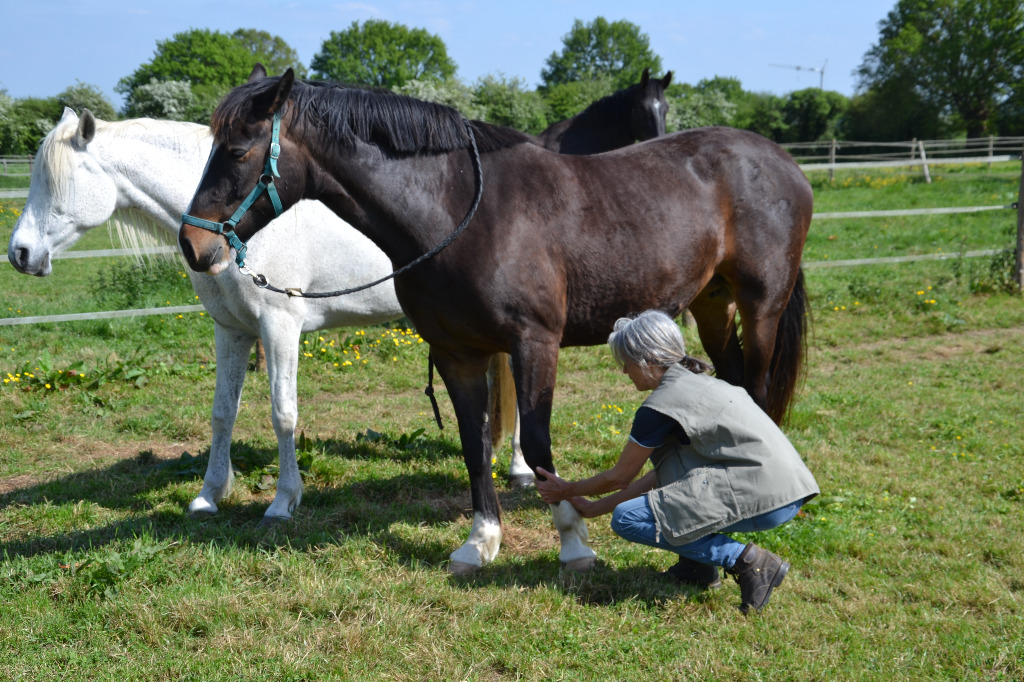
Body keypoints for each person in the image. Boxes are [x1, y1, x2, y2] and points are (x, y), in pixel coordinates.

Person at [535, 310, 819, 613]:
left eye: (625, 363)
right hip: (786, 490)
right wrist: (593, 508)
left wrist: (565, 490)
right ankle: (696, 568)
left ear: (647, 361)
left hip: (766, 496)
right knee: (679, 487)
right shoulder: (699, 384)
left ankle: (747, 560)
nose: (623, 372)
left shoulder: (660, 407)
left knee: (628, 519)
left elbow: (620, 476)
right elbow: (664, 474)